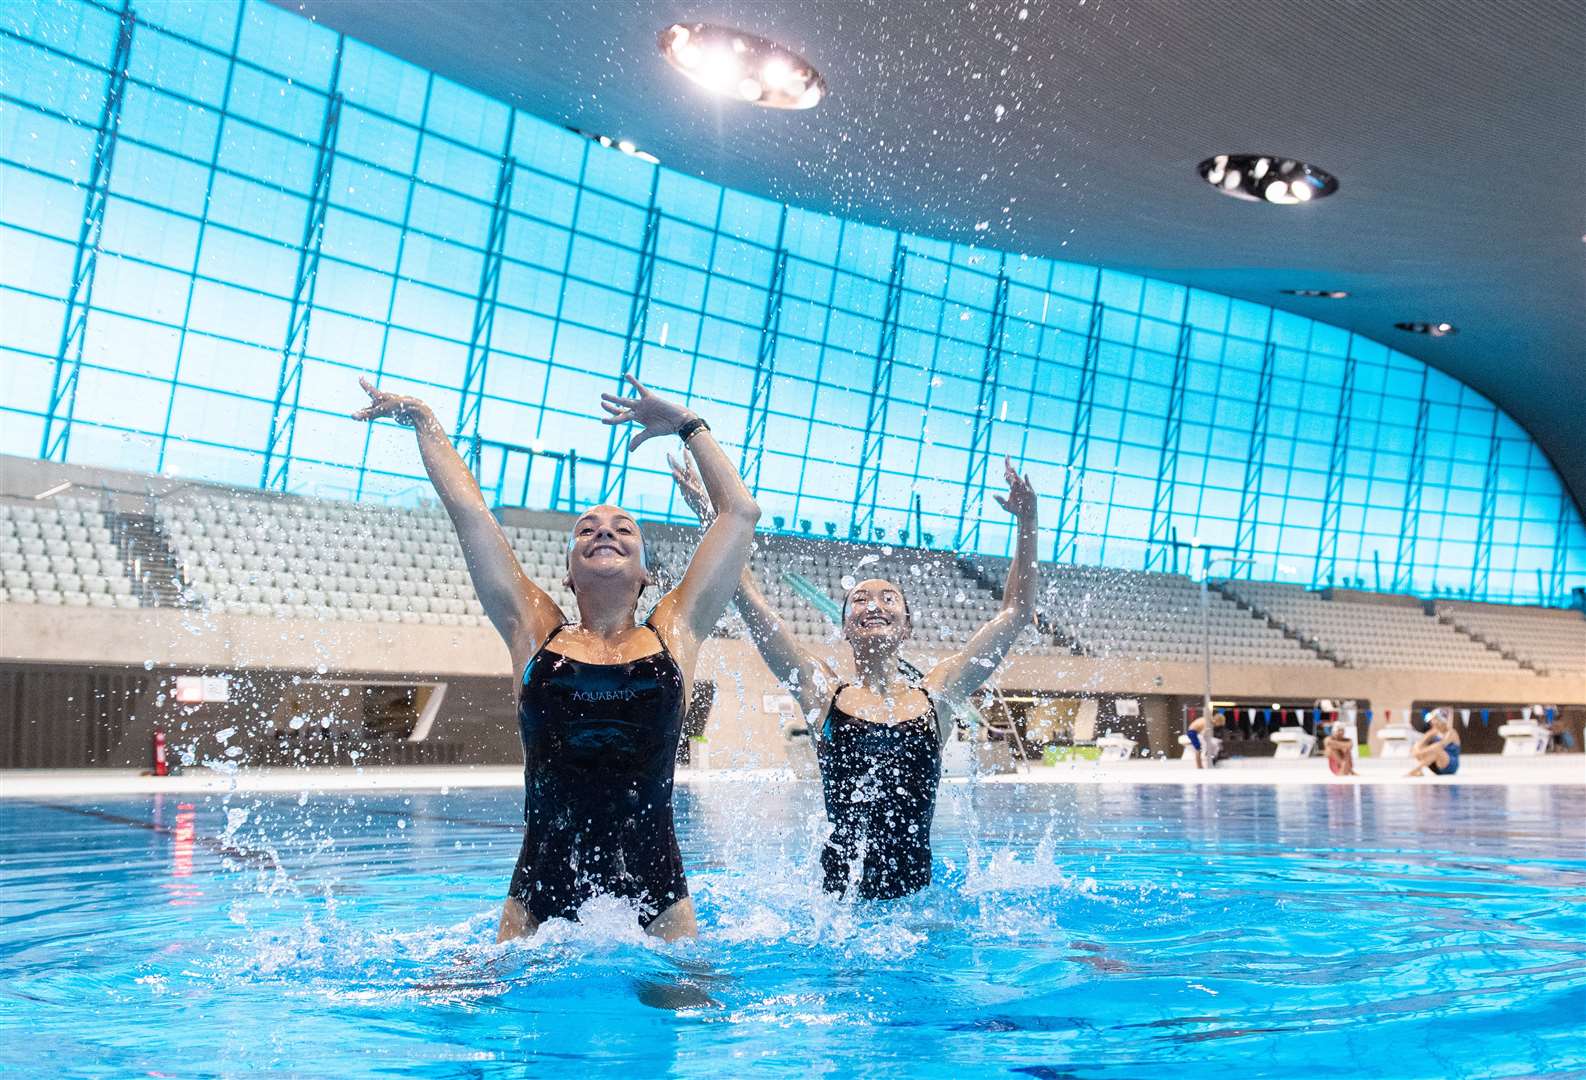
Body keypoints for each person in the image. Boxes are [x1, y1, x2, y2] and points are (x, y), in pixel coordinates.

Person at [354, 375, 758, 941]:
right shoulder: (533, 628)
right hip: (539, 893)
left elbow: (738, 513)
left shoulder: (676, 631)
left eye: (624, 529)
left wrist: (688, 425)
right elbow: (470, 513)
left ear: (646, 573)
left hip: (658, 894)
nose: (604, 532)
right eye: (585, 529)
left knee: (687, 1015)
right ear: (567, 572)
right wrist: (425, 421)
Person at [670, 451, 1037, 900]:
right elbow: (750, 601)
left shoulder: (937, 696)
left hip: (916, 908)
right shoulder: (822, 692)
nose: (874, 605)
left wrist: (1027, 521)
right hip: (838, 912)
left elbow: (1016, 613)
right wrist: (713, 517)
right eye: (860, 599)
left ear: (906, 626)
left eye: (888, 599)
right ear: (846, 626)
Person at [1407, 708, 1461, 778]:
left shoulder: (1451, 733)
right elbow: (1419, 744)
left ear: (1441, 721)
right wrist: (1416, 749)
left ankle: (1415, 770)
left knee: (1436, 750)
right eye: (1432, 720)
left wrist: (1419, 752)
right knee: (1418, 746)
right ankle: (1419, 771)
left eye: (1434, 719)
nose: (1432, 722)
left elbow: (1439, 746)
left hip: (1450, 765)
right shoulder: (1434, 732)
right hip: (1437, 767)